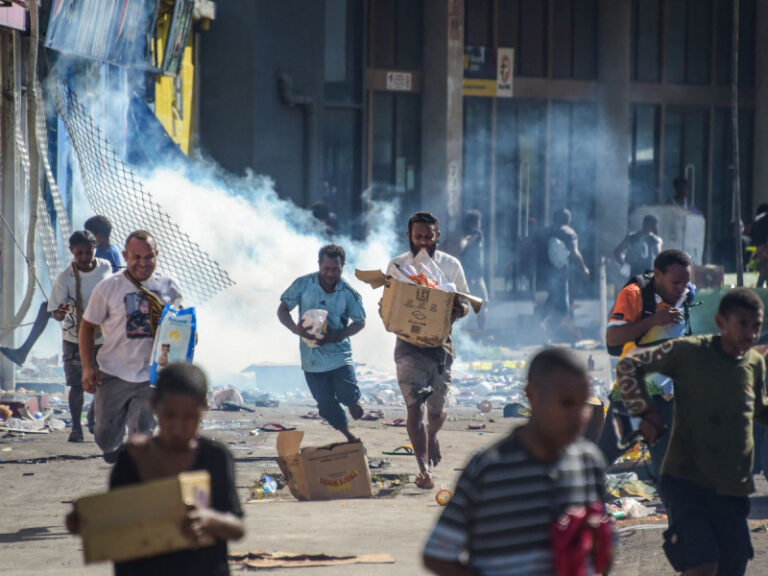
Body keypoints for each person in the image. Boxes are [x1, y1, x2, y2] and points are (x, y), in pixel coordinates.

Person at [617, 288, 768, 576]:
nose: (750, 333)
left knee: (732, 564)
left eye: (756, 326)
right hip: (688, 483)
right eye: (742, 324)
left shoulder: (754, 363)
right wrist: (646, 413)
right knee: (703, 563)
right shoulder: (689, 351)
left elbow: (759, 409)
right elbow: (630, 366)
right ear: (722, 322)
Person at [423, 348, 611, 576]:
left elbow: (605, 547)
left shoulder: (588, 463)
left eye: (583, 405)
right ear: (532, 395)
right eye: (566, 403)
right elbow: (438, 554)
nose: (577, 416)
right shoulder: (490, 468)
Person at [66, 363, 245, 575]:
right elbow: (114, 518)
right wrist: (85, 522)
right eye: (169, 416)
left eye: (189, 417)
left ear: (203, 409)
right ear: (153, 407)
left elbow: (237, 527)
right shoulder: (132, 457)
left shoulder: (214, 457)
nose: (178, 427)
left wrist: (208, 519)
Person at [80, 230, 182, 462]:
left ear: (157, 255)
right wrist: (87, 367)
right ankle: (111, 445)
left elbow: (179, 327)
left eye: (149, 257)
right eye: (137, 257)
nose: (143, 263)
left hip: (151, 376)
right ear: (125, 256)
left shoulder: (168, 286)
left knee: (142, 435)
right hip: (114, 372)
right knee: (105, 436)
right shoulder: (109, 288)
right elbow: (87, 327)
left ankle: (136, 474)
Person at [386, 211, 470, 489]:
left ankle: (432, 435)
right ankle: (423, 470)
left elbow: (466, 303)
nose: (423, 242)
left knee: (436, 411)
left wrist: (455, 309)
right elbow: (389, 304)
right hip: (408, 347)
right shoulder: (397, 266)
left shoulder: (451, 265)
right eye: (418, 236)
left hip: (441, 348)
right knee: (414, 407)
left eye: (428, 236)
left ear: (437, 236)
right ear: (409, 236)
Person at [598, 249, 692, 476]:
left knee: (667, 467)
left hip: (667, 394)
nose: (681, 288)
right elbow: (613, 338)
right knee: (604, 456)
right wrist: (654, 320)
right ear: (657, 274)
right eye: (675, 282)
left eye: (686, 282)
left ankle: (676, 509)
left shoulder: (688, 294)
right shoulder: (634, 294)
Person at [277, 244, 366, 442]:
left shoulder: (348, 293)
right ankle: (349, 436)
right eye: (326, 268)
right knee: (325, 405)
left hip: (339, 354)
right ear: (319, 265)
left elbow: (360, 322)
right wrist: (295, 329)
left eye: (335, 269)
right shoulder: (303, 284)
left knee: (346, 392)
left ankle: (352, 402)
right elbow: (282, 310)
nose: (330, 273)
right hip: (312, 359)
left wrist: (337, 335)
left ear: (342, 267)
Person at [48, 231, 113, 442]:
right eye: (79, 254)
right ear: (72, 252)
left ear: (95, 250)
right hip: (74, 338)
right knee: (76, 384)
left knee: (104, 381)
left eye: (88, 252)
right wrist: (60, 311)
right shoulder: (65, 277)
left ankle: (93, 416)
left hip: (103, 336)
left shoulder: (105, 268)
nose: (84, 258)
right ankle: (76, 428)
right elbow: (56, 313)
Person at [539, 208, 590, 342]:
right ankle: (546, 330)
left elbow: (529, 243)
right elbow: (574, 252)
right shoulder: (568, 232)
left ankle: (539, 322)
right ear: (568, 220)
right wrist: (583, 268)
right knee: (563, 308)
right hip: (560, 273)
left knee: (551, 298)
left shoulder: (545, 231)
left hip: (543, 271)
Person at [459, 210, 488, 332]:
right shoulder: (476, 234)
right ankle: (481, 331)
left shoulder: (469, 234)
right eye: (479, 221)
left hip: (473, 275)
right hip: (473, 276)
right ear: (476, 222)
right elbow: (465, 249)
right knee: (482, 303)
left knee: (471, 303)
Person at [613, 214, 663, 278]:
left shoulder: (632, 237)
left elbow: (617, 252)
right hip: (647, 273)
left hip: (635, 273)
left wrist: (624, 265)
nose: (657, 227)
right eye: (656, 224)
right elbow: (660, 256)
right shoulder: (654, 240)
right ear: (652, 225)